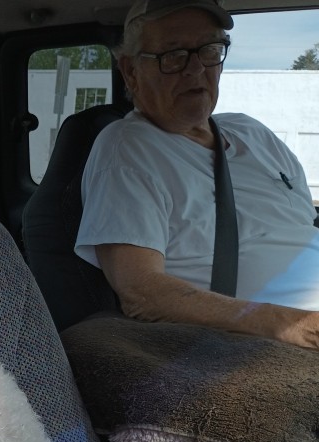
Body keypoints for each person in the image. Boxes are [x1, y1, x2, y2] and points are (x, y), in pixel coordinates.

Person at [75, 0, 319, 350]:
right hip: (274, 347)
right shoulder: (127, 149)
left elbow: (302, 227)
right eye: (173, 55)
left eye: (209, 50)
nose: (195, 70)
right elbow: (141, 291)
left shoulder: (252, 132)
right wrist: (292, 326)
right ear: (130, 71)